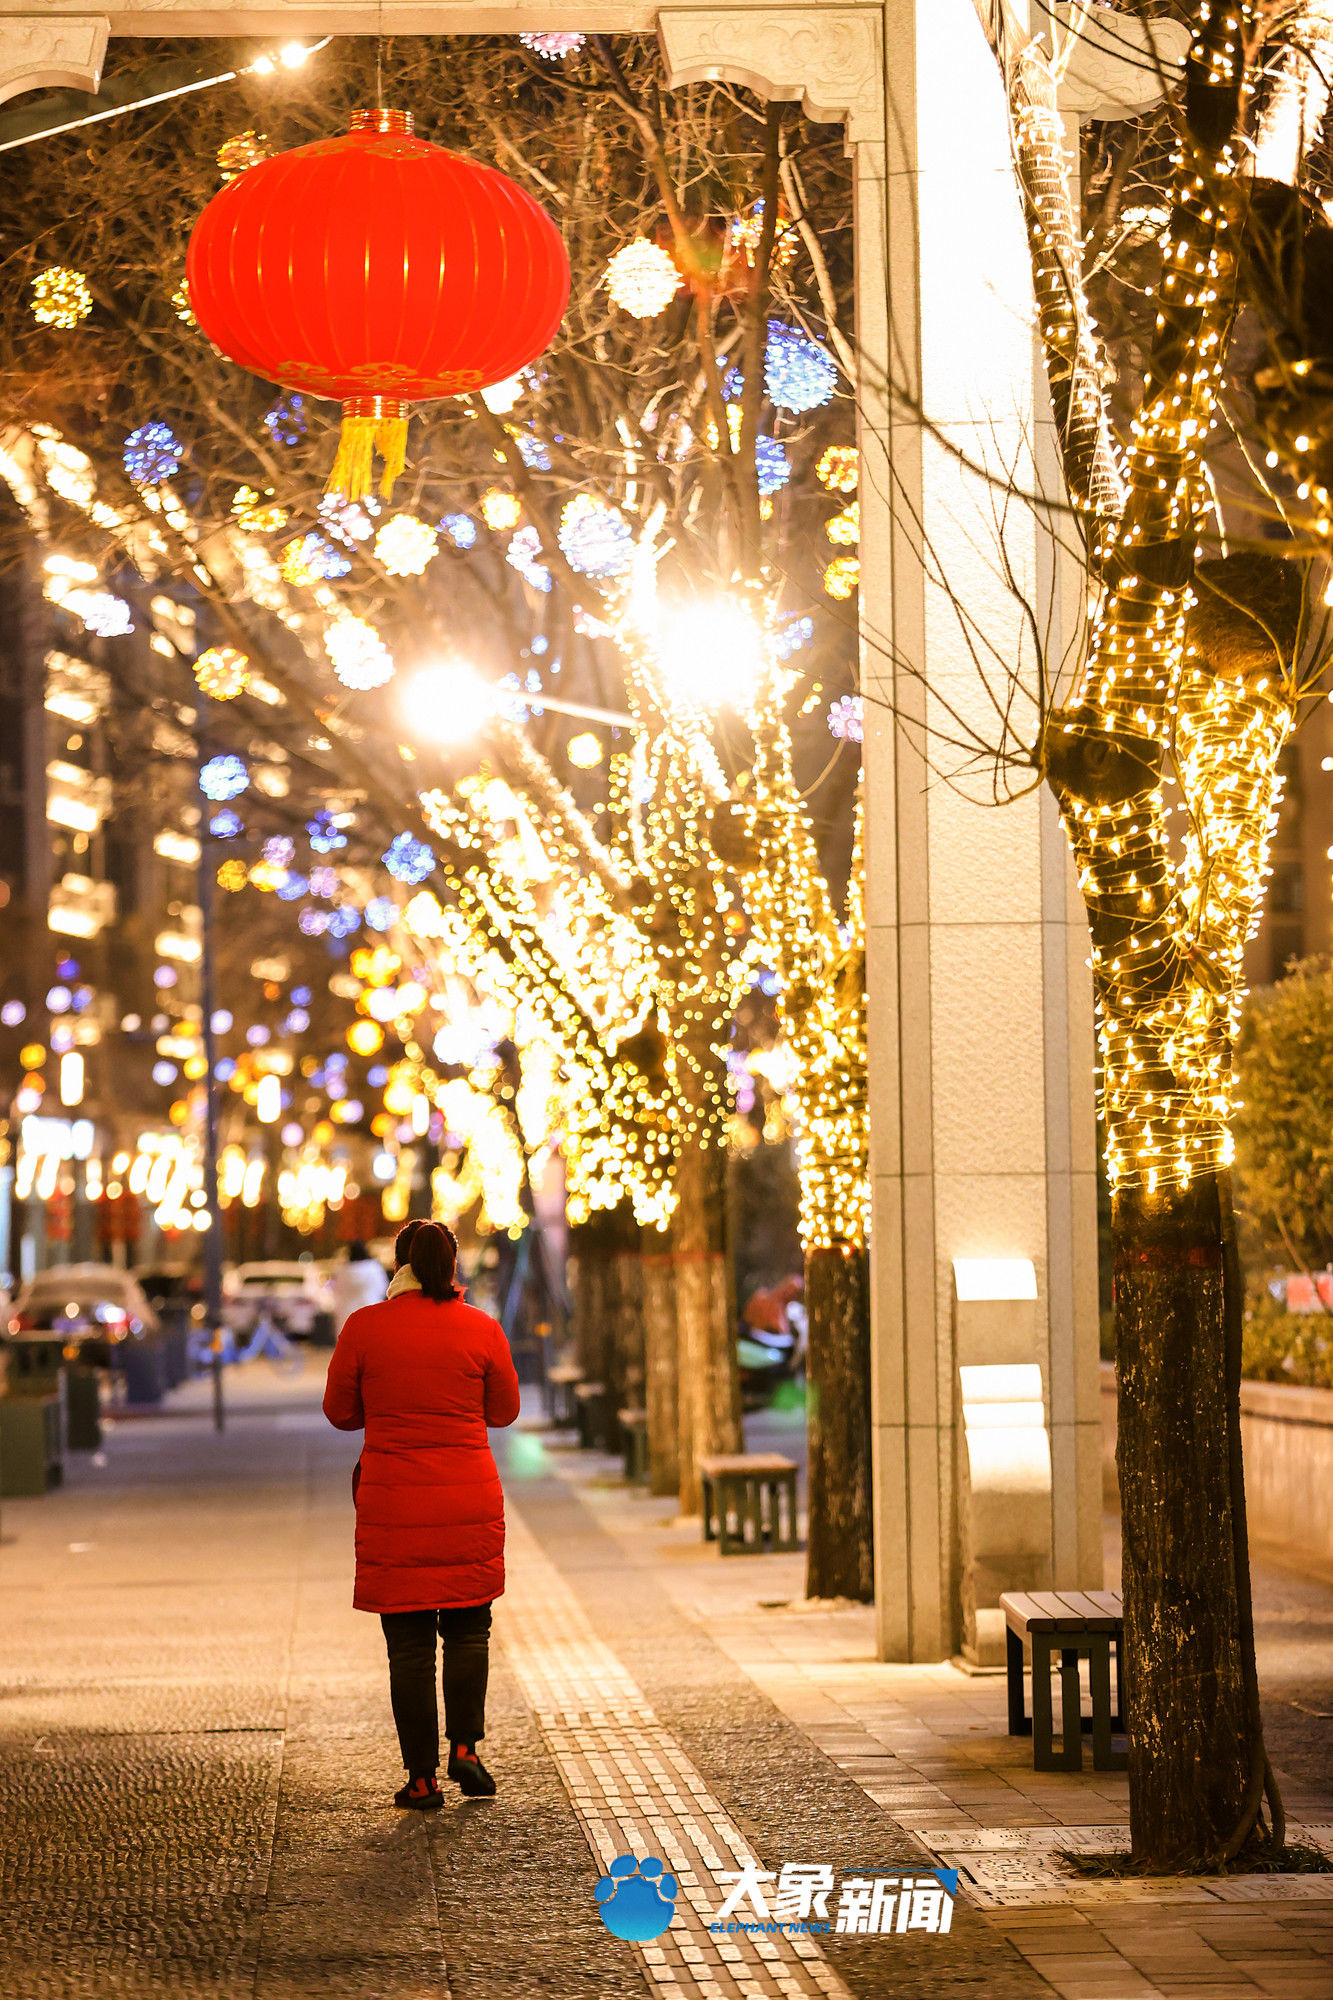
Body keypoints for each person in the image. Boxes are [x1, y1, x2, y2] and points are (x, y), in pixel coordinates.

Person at [323, 1217, 521, 1810]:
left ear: (399, 1264)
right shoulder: (481, 1329)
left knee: (407, 1647)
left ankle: (421, 1778)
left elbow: (339, 1411)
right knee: (469, 1630)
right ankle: (467, 1749)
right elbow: (505, 1410)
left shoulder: (365, 1328)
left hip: (394, 1504)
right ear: (452, 1267)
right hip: (467, 1500)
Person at [326, 1239, 388, 1334]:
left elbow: (335, 1290)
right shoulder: (374, 1268)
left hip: (346, 1314)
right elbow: (382, 1288)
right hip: (370, 1311)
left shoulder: (342, 1271)